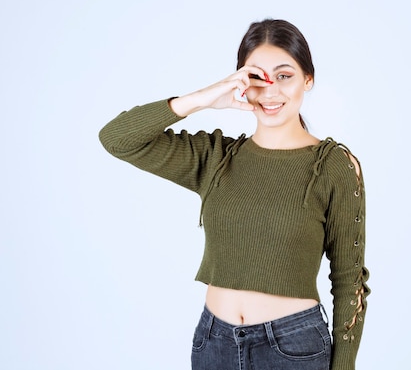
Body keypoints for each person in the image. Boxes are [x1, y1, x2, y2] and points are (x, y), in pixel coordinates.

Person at [99, 19, 370, 370]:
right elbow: (116, 138)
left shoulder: (333, 165)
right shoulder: (216, 158)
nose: (270, 91)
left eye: (285, 75)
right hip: (214, 344)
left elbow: (350, 280)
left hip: (294, 348)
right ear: (241, 82)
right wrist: (201, 99)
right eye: (257, 77)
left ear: (308, 79)